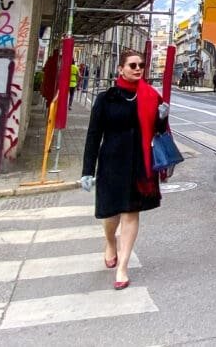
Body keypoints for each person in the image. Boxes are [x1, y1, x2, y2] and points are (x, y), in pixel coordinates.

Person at [81, 49, 169, 290]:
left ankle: (123, 267)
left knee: (131, 213)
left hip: (140, 162)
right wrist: (87, 170)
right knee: (111, 214)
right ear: (120, 69)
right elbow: (93, 136)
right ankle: (110, 242)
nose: (138, 69)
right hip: (111, 162)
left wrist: (162, 117)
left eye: (141, 65)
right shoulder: (106, 99)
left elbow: (159, 132)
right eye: (132, 65)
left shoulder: (151, 96)